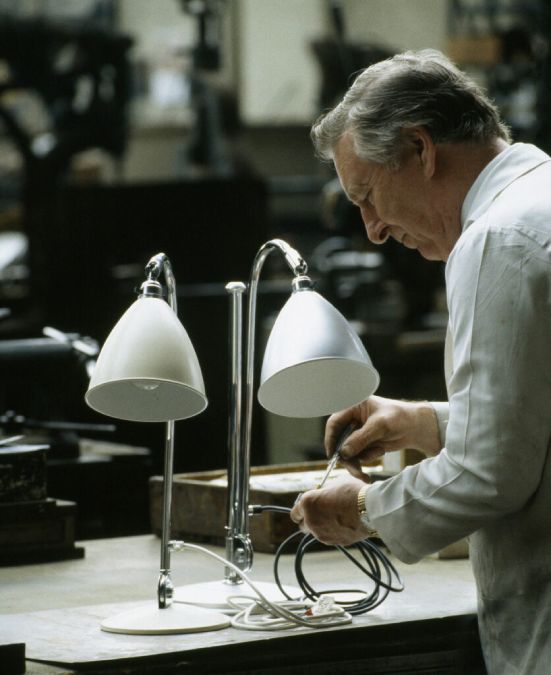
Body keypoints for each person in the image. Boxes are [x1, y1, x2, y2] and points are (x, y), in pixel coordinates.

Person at [290, 48, 551, 674]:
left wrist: (360, 510)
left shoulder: (497, 240)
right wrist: (425, 422)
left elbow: (489, 476)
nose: (373, 229)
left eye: (368, 195)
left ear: (420, 148)